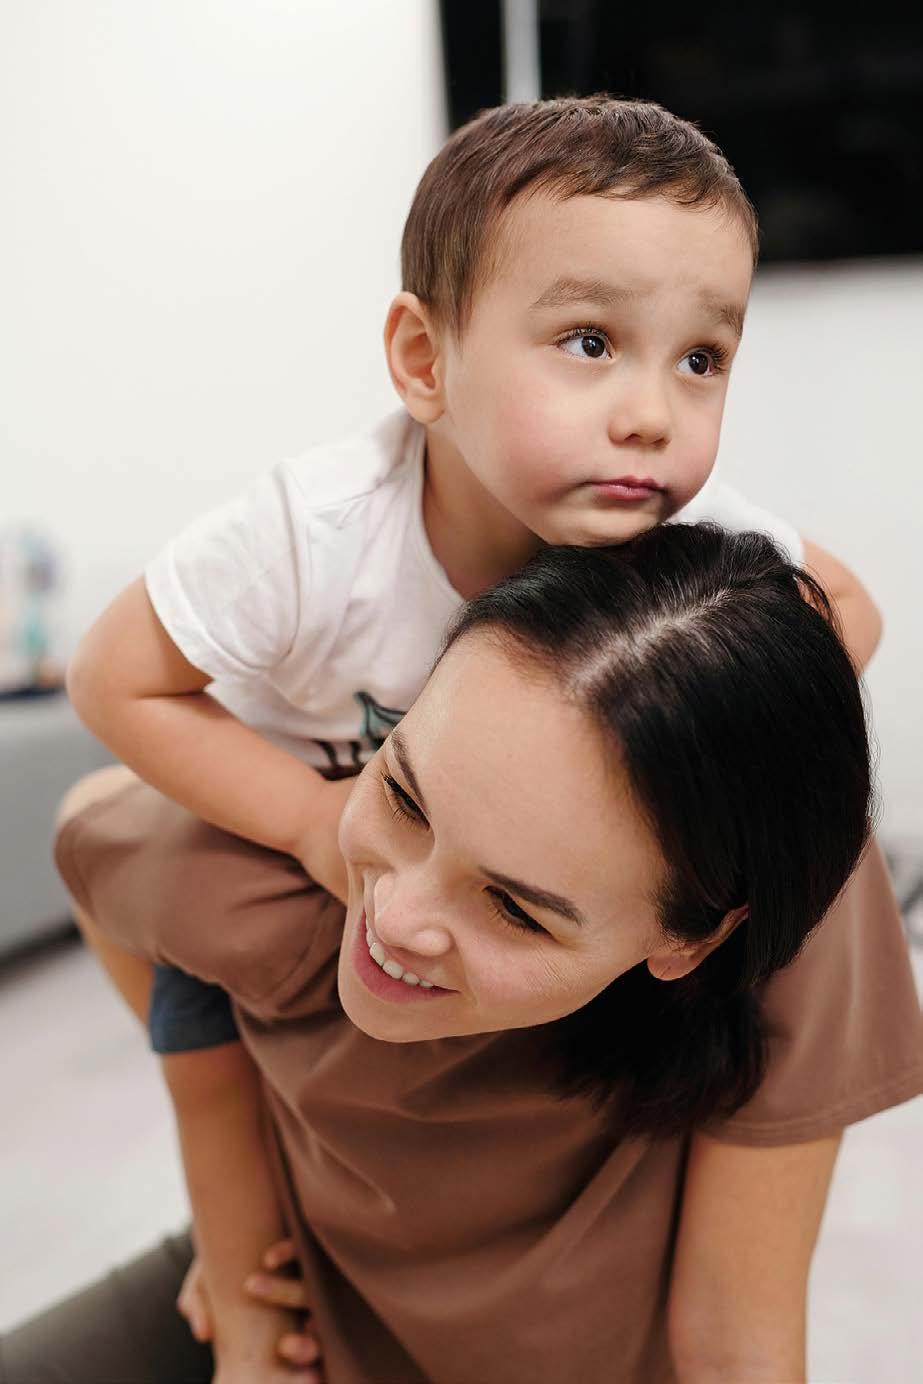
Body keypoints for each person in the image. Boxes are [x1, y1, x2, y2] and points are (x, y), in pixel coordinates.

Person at [51, 96, 885, 1378]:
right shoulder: (315, 535)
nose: (652, 414)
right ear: (424, 360)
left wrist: (716, 738)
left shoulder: (687, 541)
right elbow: (117, 681)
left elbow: (844, 625)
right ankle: (245, 1263)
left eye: (700, 359)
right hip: (294, 828)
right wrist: (311, 818)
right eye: (591, 341)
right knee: (196, 994)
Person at [6, 525, 921, 1384]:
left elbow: (733, 1345)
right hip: (301, 1294)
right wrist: (237, 1228)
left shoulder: (802, 927)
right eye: (404, 798)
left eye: (517, 910)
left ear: (692, 938)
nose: (394, 918)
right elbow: (92, 835)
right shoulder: (290, 880)